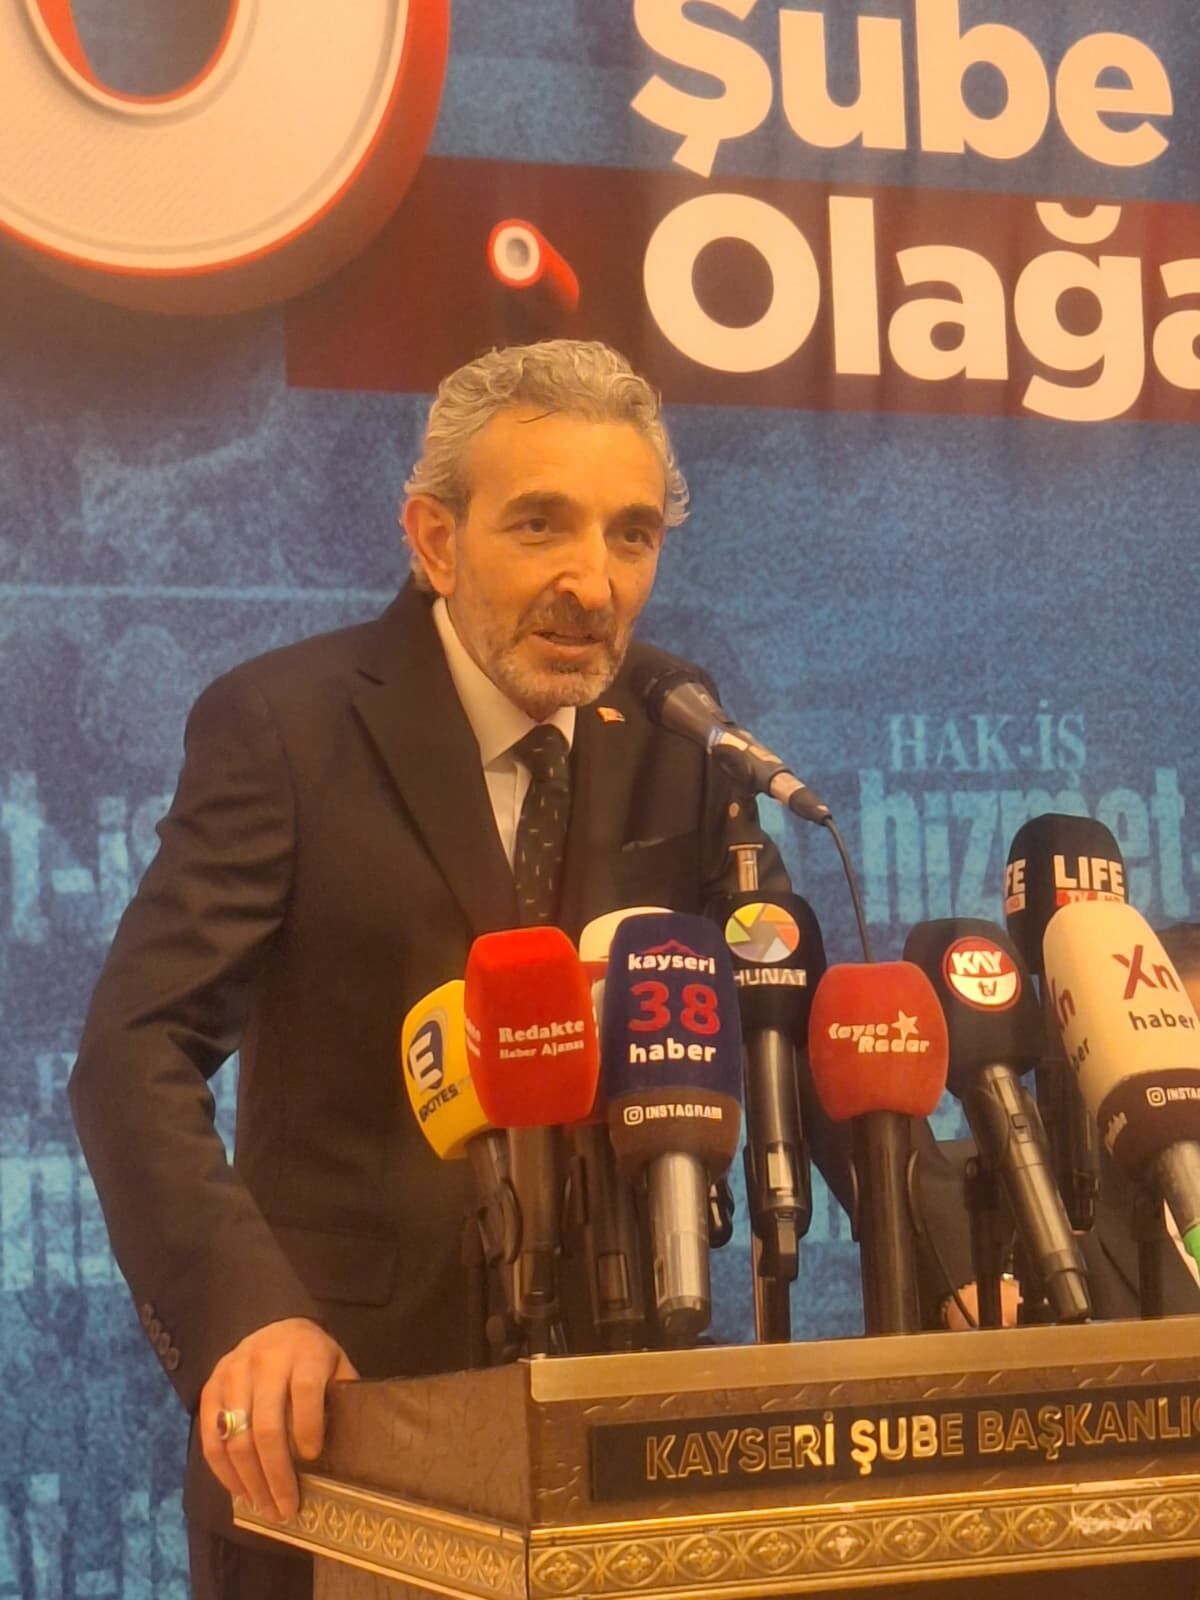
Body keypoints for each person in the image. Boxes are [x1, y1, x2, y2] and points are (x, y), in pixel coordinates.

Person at [69, 339, 795, 1600]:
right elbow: (135, 1052)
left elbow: (780, 997)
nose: (593, 582)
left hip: (620, 1429)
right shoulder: (286, 724)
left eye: (631, 535)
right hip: (339, 1436)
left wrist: (958, 1257)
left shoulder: (678, 730)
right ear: (435, 540)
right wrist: (247, 1312)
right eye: (540, 524)